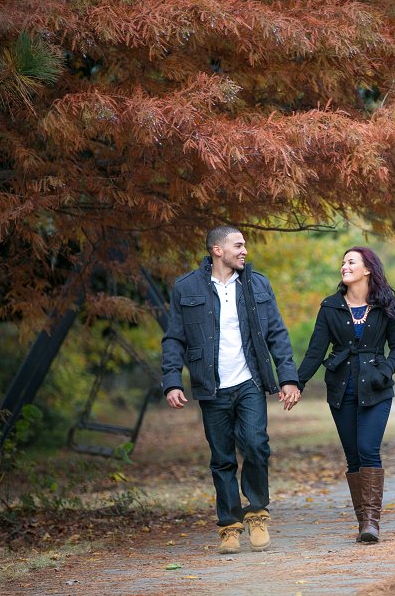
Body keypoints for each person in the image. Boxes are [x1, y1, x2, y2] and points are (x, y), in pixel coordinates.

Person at [161, 226, 301, 555]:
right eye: (238, 245)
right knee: (222, 458)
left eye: (245, 245)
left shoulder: (257, 284)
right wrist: (171, 380)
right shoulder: (186, 287)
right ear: (217, 250)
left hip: (249, 382)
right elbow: (174, 338)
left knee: (256, 446)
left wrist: (288, 378)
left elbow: (277, 333)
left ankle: (257, 514)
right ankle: (229, 527)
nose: (244, 251)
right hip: (211, 388)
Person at [293, 247, 395, 543]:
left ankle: (372, 522)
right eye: (343, 262)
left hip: (377, 388)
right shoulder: (330, 306)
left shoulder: (385, 304)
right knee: (353, 455)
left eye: (351, 262)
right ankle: (363, 524)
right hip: (341, 389)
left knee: (369, 448)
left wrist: (386, 371)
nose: (344, 266)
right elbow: (316, 351)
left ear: (367, 269)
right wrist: (297, 383)